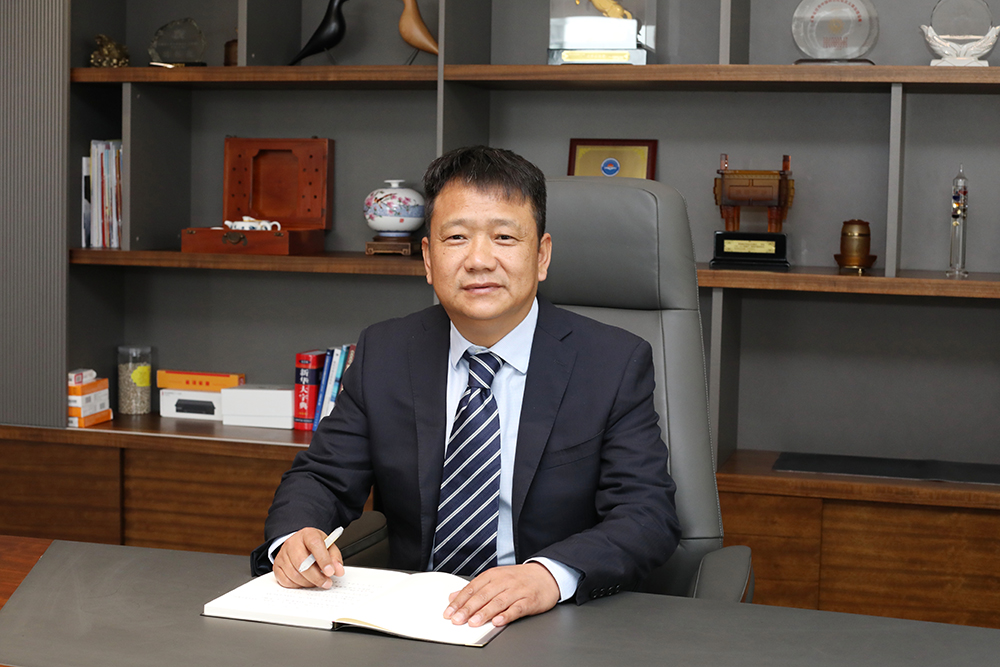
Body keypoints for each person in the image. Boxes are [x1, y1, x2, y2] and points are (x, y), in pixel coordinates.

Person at [251, 145, 680, 629]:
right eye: (456, 237)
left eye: (504, 237)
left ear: (541, 256)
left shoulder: (612, 362)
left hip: (548, 621)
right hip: (416, 619)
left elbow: (645, 514)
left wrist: (547, 576)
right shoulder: (386, 352)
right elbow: (323, 477)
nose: (479, 260)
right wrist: (294, 537)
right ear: (428, 259)